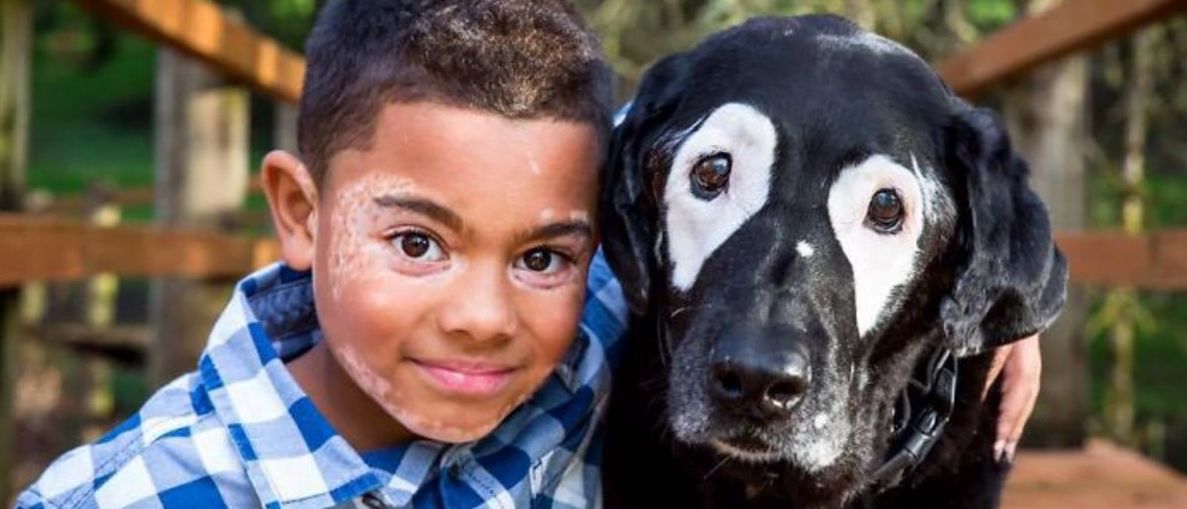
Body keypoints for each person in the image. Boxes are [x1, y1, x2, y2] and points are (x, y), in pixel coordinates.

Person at [16, 1, 1042, 508]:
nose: (483, 314)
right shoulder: (135, 495)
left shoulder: (580, 324)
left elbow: (708, 149)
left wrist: (982, 293)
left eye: (544, 255)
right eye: (415, 240)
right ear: (298, 208)